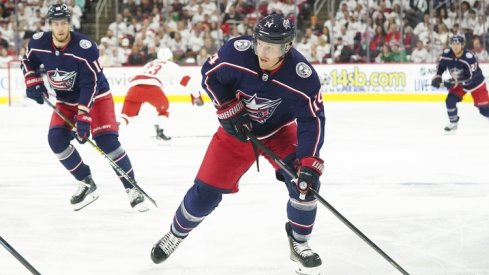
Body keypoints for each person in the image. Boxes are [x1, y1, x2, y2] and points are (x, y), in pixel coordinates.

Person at [150, 13, 325, 275]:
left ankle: (299, 243)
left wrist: (310, 162)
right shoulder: (237, 52)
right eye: (259, 43)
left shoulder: (303, 76)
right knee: (205, 195)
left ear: (287, 47)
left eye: (270, 47)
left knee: (305, 184)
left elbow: (312, 120)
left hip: (278, 133)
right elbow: (209, 75)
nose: (262, 51)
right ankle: (176, 233)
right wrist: (228, 108)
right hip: (235, 135)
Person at [20, 4, 148, 212]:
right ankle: (86, 182)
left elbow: (90, 84)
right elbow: (27, 61)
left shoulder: (85, 47)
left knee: (107, 142)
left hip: (96, 98)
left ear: (70, 24)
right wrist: (32, 80)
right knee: (56, 140)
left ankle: (132, 188)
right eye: (55, 24)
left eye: (64, 23)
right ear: (50, 25)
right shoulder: (38, 43)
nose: (60, 28)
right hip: (64, 100)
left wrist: (83, 116)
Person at [118, 47, 204, 140]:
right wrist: (197, 95)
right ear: (170, 58)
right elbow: (187, 81)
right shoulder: (170, 65)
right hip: (152, 88)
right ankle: (161, 130)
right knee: (164, 109)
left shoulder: (150, 63)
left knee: (126, 116)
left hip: (134, 87)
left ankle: (114, 129)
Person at [431, 35, 489, 132]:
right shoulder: (446, 54)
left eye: (458, 44)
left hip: (476, 84)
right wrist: (438, 77)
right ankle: (453, 123)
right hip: (460, 84)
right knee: (450, 100)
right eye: (453, 44)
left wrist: (453, 82)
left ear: (462, 45)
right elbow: (440, 66)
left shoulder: (469, 58)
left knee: (484, 111)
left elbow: (471, 78)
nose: (455, 46)